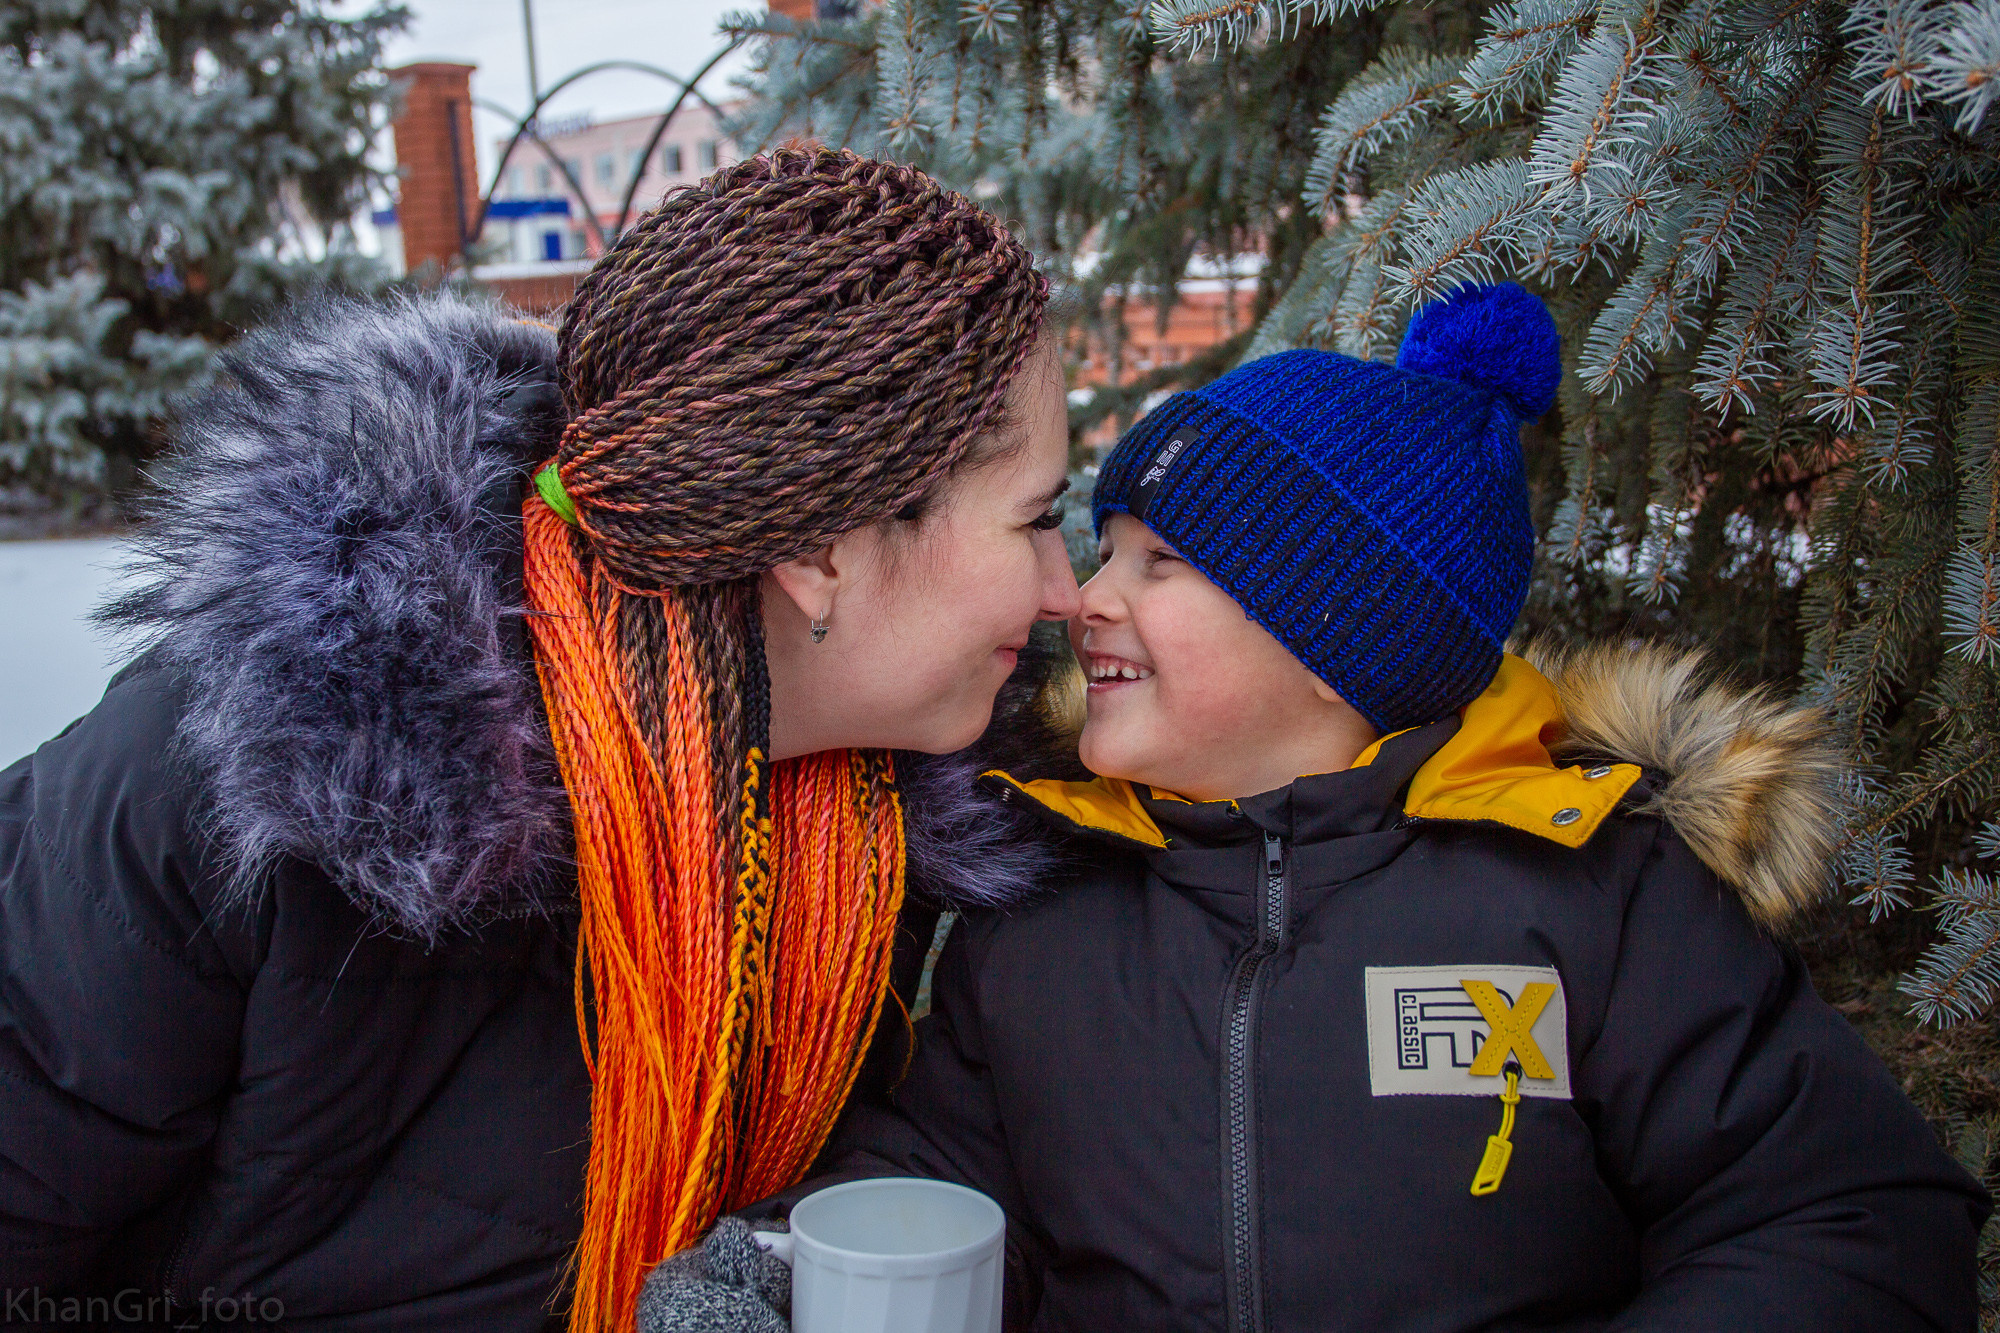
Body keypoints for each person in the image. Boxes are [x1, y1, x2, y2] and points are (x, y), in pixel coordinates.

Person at [640, 282, 1990, 1332]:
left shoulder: (1591, 897)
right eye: (1103, 550)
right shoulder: (1044, 907)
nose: (1084, 597)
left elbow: (1848, 1214)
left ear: (1337, 639)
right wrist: (774, 1271)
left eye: (1158, 564)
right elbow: (933, 1188)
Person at [0, 148, 1084, 1330]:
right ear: (822, 547)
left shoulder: (872, 843)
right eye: (1034, 520)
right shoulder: (245, 776)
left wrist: (784, 1263)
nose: (1065, 590)